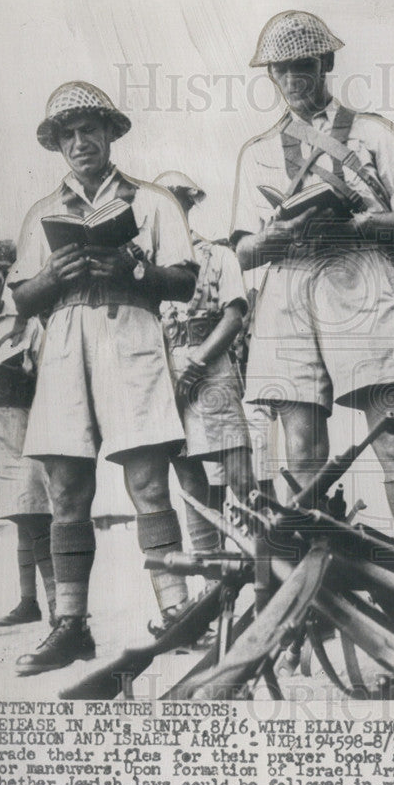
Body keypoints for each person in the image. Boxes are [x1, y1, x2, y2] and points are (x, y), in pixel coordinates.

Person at [8, 81, 196, 674]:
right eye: (68, 133)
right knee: (66, 488)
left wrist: (135, 266)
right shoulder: (42, 212)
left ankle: (176, 611)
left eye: (91, 129)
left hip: (131, 331)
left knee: (147, 482)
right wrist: (54, 275)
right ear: (57, 144)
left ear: (112, 133)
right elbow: (23, 296)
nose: (81, 141)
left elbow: (184, 282)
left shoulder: (152, 200)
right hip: (65, 338)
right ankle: (71, 624)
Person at [230, 11, 394, 543]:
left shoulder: (372, 132)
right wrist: (278, 234)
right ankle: (316, 584)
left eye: (303, 65)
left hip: (359, 274)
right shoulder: (255, 153)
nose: (293, 79)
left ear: (325, 63)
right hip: (287, 288)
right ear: (271, 77)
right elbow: (244, 250)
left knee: (392, 435)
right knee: (301, 449)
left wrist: (364, 221)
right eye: (281, 70)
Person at [153, 170, 256, 582]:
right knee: (192, 485)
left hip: (212, 368)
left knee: (240, 475)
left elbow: (234, 315)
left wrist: (196, 365)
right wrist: (168, 373)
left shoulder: (217, 254)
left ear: (191, 205)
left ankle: (270, 573)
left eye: (181, 200)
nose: (175, 208)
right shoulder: (150, 265)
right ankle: (215, 588)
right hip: (165, 371)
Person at [0, 239, 56, 626]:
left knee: (32, 514)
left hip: (20, 423)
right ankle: (25, 601)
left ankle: (58, 603)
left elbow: (48, 377)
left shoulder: (26, 324)